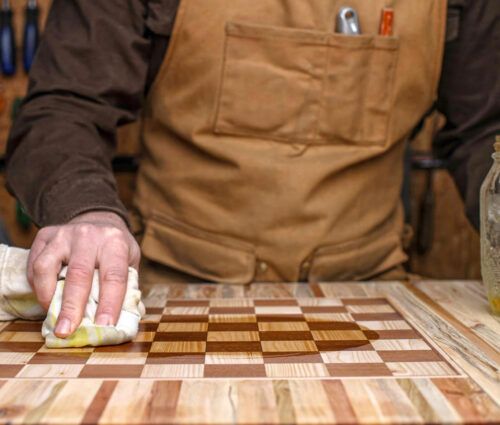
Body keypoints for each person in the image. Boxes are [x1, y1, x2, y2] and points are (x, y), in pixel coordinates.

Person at [5, 0, 500, 338]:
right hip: (176, 301)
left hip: (377, 301)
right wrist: (87, 211)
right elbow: (64, 107)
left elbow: (484, 129)